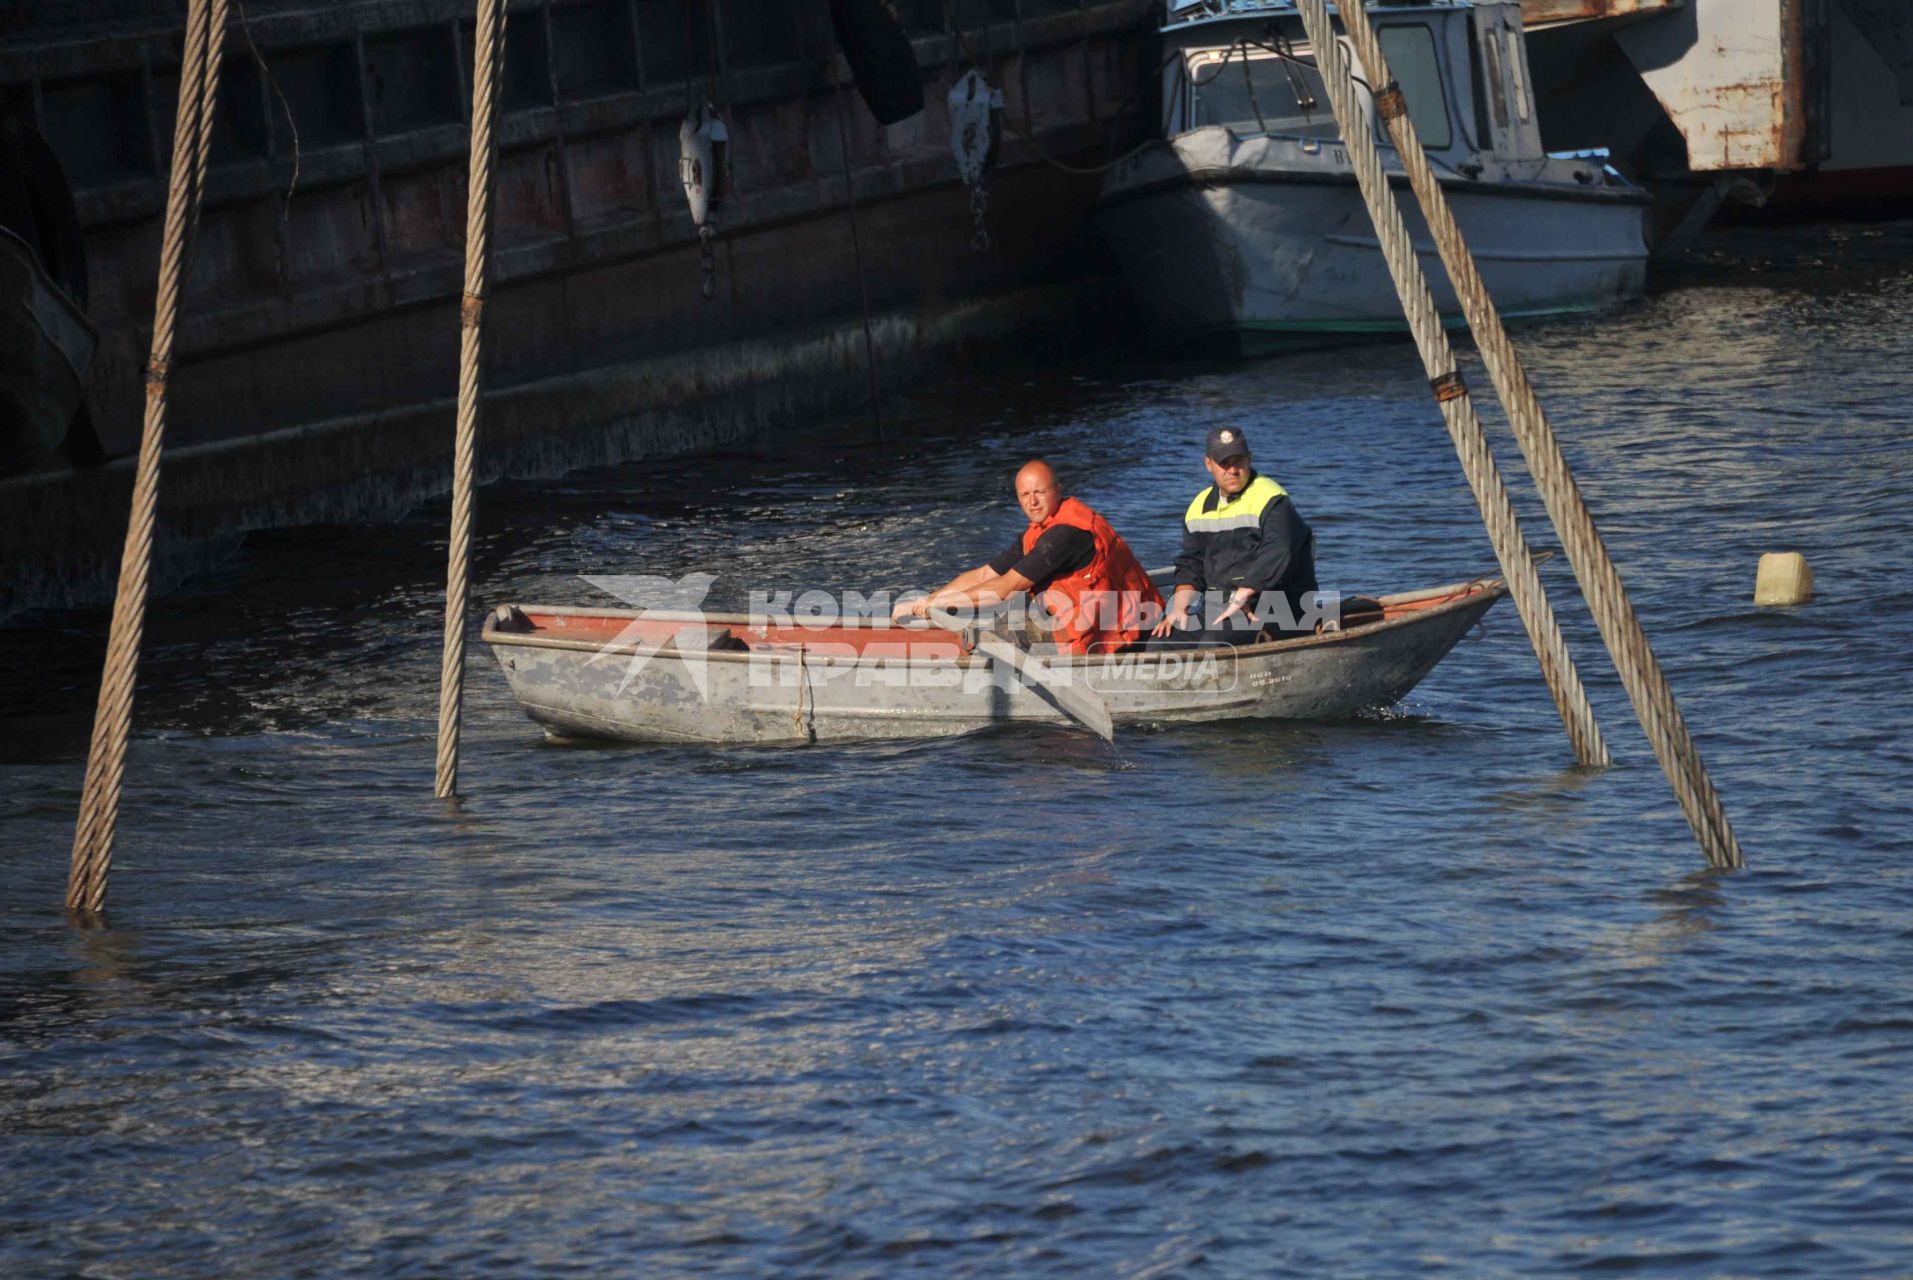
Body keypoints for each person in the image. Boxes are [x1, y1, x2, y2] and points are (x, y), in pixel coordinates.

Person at [894, 459, 1164, 655]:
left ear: (1058, 490)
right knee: (1000, 622)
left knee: (999, 632)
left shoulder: (1065, 535)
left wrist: (932, 603)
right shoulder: (1037, 533)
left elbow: (1004, 589)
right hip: (1085, 617)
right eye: (1025, 495)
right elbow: (984, 575)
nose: (1032, 501)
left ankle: (974, 687)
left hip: (1117, 629)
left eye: (1039, 492)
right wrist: (929, 599)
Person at [1150, 425, 1318, 649]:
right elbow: (1191, 564)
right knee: (1161, 641)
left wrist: (1245, 592)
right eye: (1224, 463)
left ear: (1249, 459)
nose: (1232, 470)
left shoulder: (1271, 498)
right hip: (1219, 608)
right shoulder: (1197, 508)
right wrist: (1179, 608)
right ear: (1208, 464)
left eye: (1238, 461)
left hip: (1276, 608)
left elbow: (1280, 550)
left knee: (1214, 646)